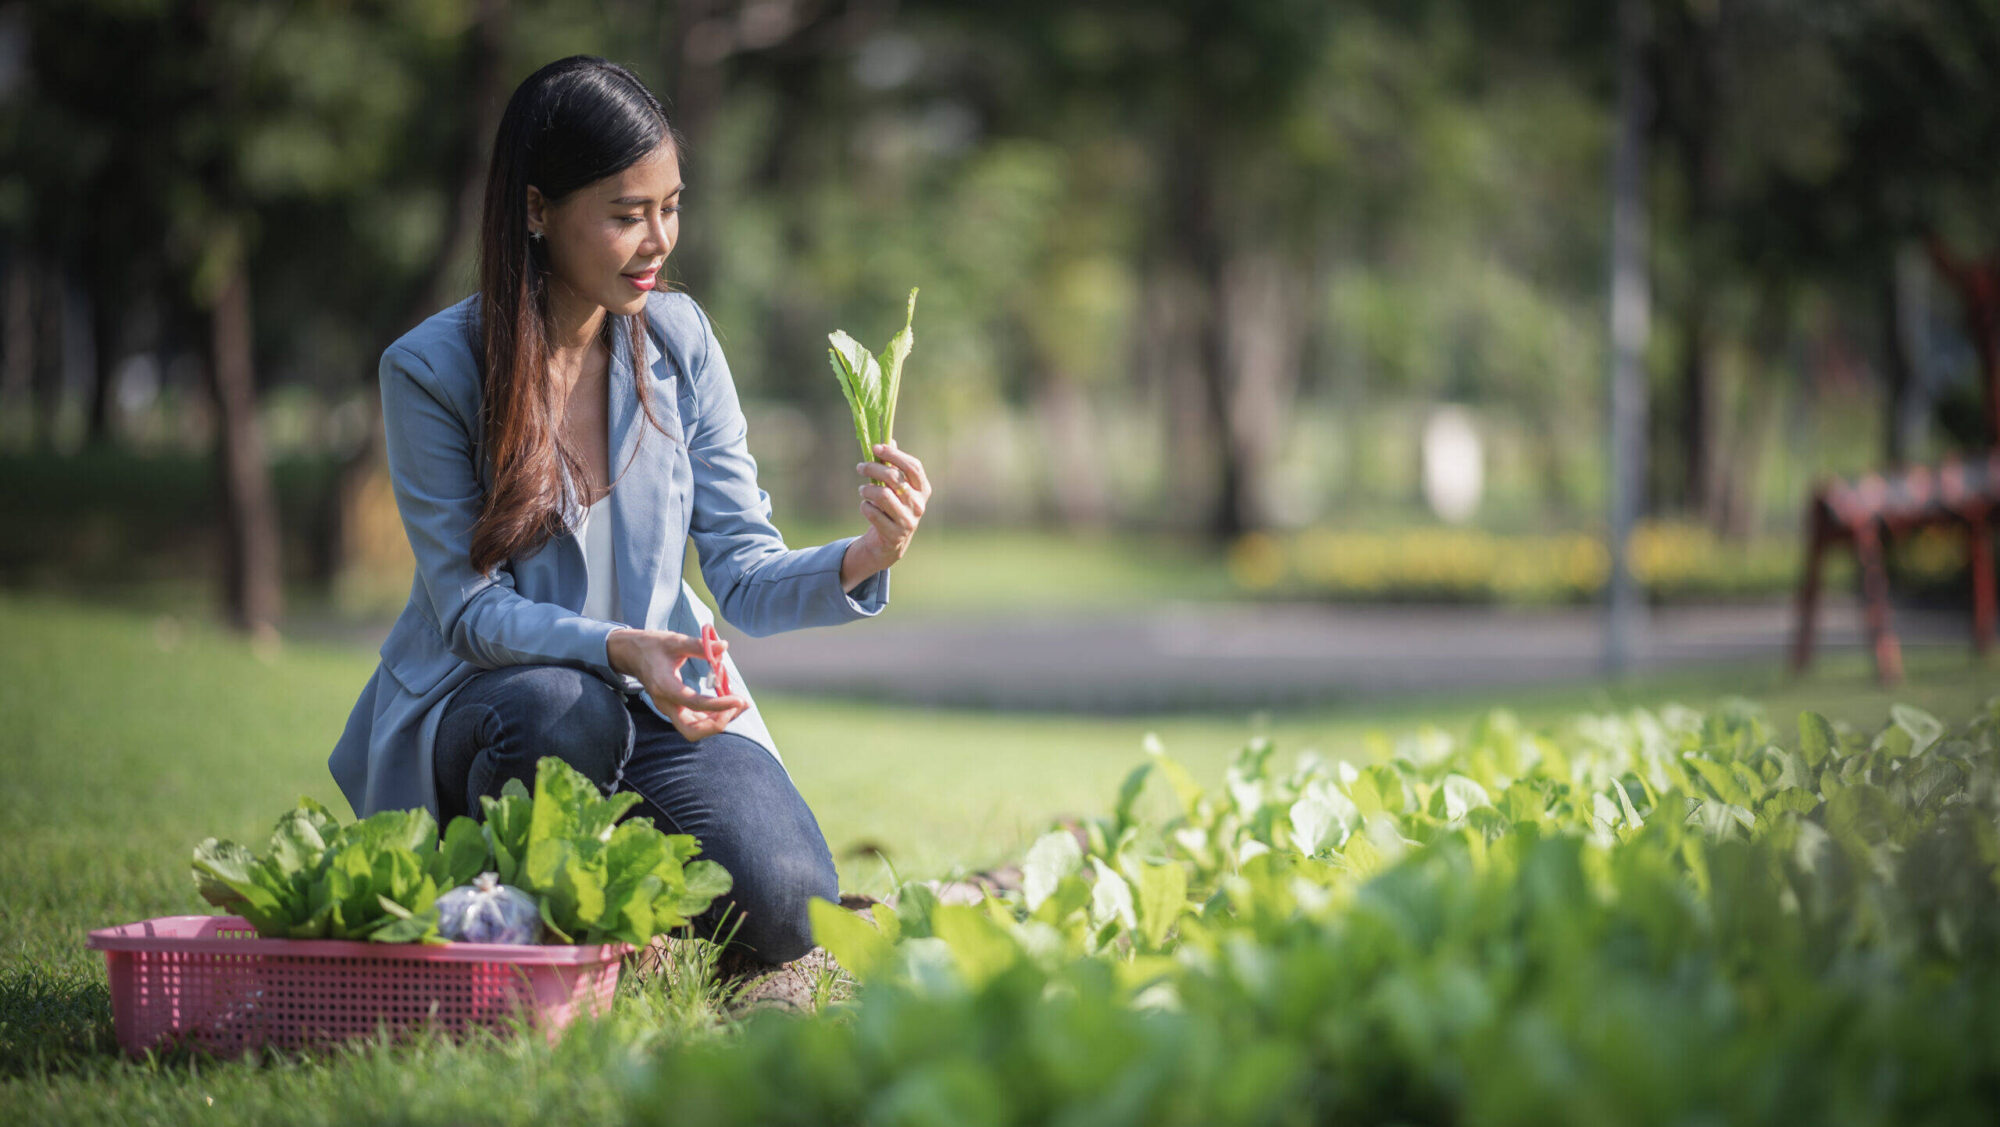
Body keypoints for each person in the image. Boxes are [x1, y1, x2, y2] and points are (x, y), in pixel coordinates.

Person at [326, 56, 932, 968]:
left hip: (659, 702)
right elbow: (471, 612)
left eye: (671, 206)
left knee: (786, 899)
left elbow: (743, 574)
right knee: (564, 711)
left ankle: (617, 907)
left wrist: (868, 553)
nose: (658, 241)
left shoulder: (681, 342)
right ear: (536, 210)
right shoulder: (431, 369)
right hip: (497, 705)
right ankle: (522, 922)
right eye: (624, 214)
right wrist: (620, 647)